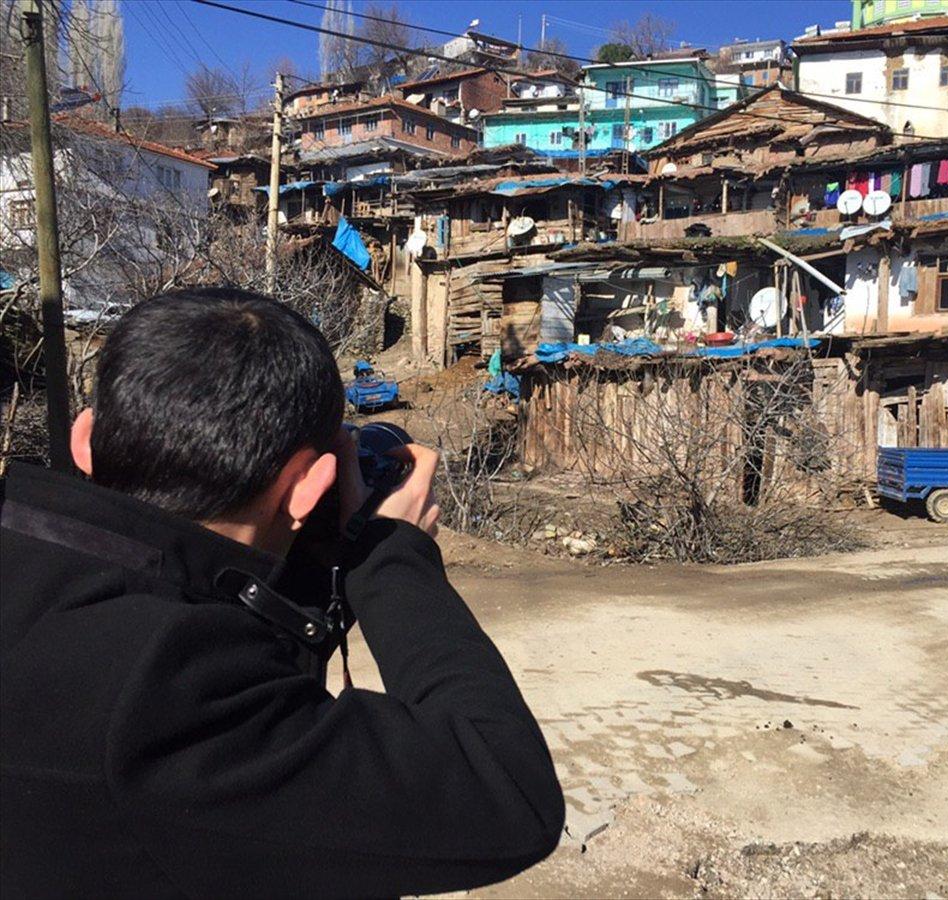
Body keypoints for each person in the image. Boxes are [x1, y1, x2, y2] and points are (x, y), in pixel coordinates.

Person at [0, 288, 564, 898]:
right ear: (308, 487)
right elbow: (507, 791)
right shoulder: (171, 693)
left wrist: (295, 563)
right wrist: (391, 553)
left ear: (85, 439)